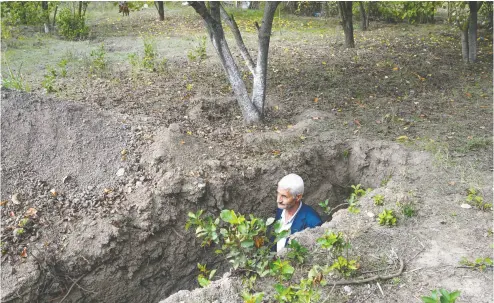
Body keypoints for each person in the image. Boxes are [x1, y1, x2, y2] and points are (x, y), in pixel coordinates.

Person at [274, 173, 323, 253]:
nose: (278, 200)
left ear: (298, 197)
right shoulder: (281, 209)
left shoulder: (312, 222)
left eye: (284, 196)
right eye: (278, 193)